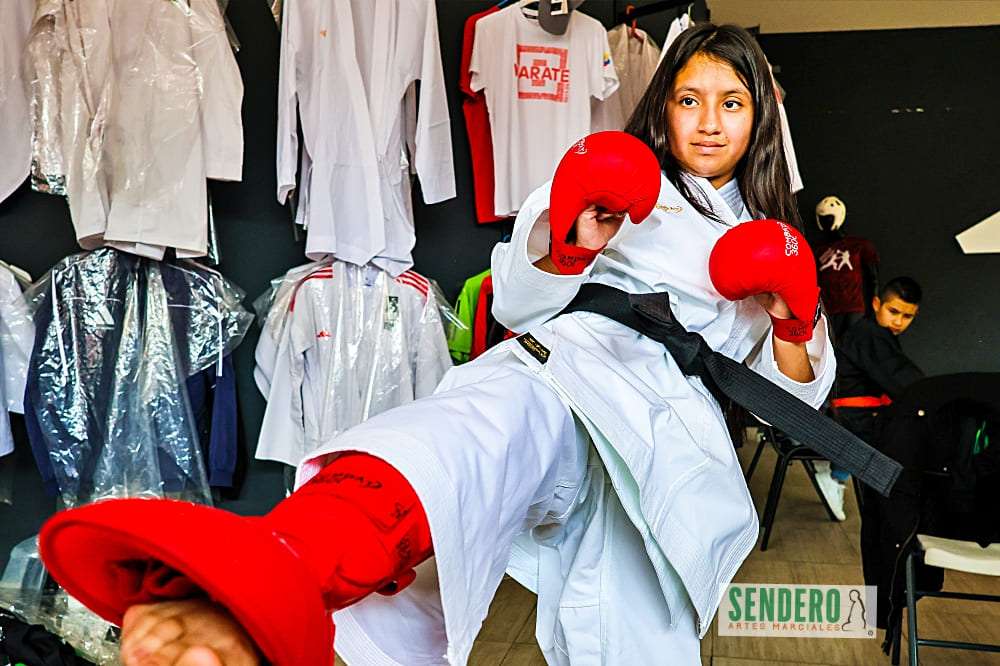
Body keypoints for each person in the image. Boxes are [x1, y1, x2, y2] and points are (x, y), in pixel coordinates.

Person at [38, 24, 840, 666]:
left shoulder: (775, 239)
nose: (708, 122)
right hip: (566, 377)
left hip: (665, 447)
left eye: (731, 103)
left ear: (759, 117)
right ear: (663, 106)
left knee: (637, 646)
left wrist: (793, 322)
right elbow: (518, 302)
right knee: (450, 448)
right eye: (690, 99)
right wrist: (571, 244)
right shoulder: (617, 177)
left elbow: (797, 399)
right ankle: (271, 575)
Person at [815, 277, 924, 520]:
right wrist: (929, 392)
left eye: (907, 316)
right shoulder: (869, 334)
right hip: (848, 417)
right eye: (893, 311)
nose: (898, 321)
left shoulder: (876, 333)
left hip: (852, 414)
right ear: (876, 304)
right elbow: (899, 377)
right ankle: (835, 477)